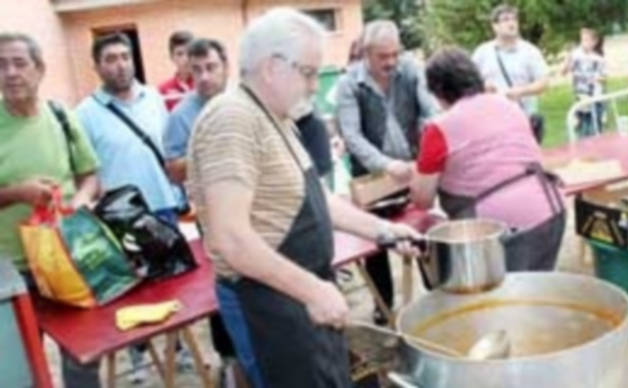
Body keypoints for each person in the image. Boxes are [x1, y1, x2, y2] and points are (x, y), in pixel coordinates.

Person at [187, 8, 420, 388]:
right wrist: (311, 290)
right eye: (309, 72)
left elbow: (316, 199)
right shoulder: (232, 120)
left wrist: (383, 230)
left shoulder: (275, 117)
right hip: (267, 303)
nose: (316, 86)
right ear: (272, 67)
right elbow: (230, 238)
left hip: (299, 294)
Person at [76, 32, 189, 383]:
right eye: (110, 58)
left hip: (163, 207)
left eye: (125, 56)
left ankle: (178, 351)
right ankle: (139, 356)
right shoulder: (85, 114)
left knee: (173, 284)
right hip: (120, 218)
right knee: (133, 290)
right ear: (97, 66)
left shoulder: (153, 98)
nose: (120, 64)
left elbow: (169, 149)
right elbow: (85, 170)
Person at [0, 32, 102, 388]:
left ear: (40, 69)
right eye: (1, 65)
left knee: (84, 355)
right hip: (10, 270)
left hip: (65, 256)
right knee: (19, 369)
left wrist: (80, 201)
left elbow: (89, 176)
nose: (10, 73)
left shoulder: (61, 115)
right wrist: (17, 193)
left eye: (19, 63)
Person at [411, 47, 566, 271]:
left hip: (498, 225)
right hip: (550, 205)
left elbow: (422, 199)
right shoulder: (509, 106)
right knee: (538, 292)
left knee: (503, 300)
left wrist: (414, 175)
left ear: (437, 91)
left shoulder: (438, 129)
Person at [336, 20, 437, 324]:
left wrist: (426, 146)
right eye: (383, 56)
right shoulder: (349, 83)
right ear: (366, 53)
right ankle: (383, 307)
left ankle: (436, 293)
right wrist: (386, 164)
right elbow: (352, 136)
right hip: (372, 177)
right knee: (375, 241)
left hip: (413, 166)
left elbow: (430, 110)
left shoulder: (411, 69)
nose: (391, 62)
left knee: (424, 229)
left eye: (395, 54)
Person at [162, 38, 244, 388]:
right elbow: (173, 170)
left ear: (225, 65)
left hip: (257, 207)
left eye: (211, 67)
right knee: (224, 286)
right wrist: (210, 149)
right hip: (212, 217)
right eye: (196, 70)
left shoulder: (245, 101)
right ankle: (229, 361)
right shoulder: (181, 115)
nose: (205, 77)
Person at [472, 4, 549, 142]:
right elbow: (468, 81)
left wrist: (521, 91)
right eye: (506, 19)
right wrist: (483, 87)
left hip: (523, 120)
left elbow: (543, 82)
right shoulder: (482, 53)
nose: (511, 23)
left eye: (514, 19)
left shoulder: (530, 51)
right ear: (495, 26)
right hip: (491, 122)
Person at [561, 28, 606, 138]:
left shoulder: (598, 59)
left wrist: (596, 79)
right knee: (580, 127)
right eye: (582, 40)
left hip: (594, 96)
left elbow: (604, 77)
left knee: (595, 127)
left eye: (587, 40)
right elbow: (563, 71)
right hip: (579, 96)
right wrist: (568, 59)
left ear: (594, 42)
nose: (583, 43)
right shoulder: (576, 56)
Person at [159, 30, 195, 111]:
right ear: (172, 57)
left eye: (189, 52)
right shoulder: (164, 89)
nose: (186, 58)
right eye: (180, 54)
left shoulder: (204, 84)